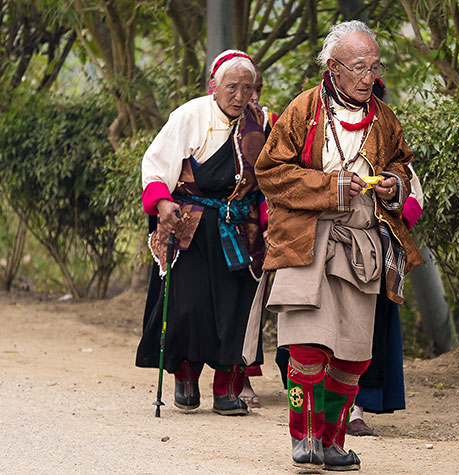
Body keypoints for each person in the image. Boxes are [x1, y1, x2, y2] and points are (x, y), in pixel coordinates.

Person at [251, 20, 423, 471]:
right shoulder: (304, 108)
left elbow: (403, 167)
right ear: (334, 67)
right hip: (305, 239)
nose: (370, 77)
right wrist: (329, 187)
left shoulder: (384, 119)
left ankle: (332, 441)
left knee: (351, 353)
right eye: (360, 67)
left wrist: (393, 185)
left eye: (375, 67)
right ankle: (303, 437)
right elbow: (269, 171)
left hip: (360, 248)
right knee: (307, 345)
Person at [135, 49, 267, 417]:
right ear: (214, 86)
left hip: (240, 228)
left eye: (247, 87)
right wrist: (162, 204)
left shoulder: (261, 123)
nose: (240, 96)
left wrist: (271, 217)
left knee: (235, 308)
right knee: (189, 306)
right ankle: (185, 377)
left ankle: (226, 390)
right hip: (189, 225)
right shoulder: (189, 115)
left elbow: (270, 180)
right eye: (232, 87)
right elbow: (156, 166)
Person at [348, 162, 424, 436]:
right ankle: (319, 403)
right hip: (329, 239)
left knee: (370, 328)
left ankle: (356, 410)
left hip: (376, 249)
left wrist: (395, 220)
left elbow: (415, 194)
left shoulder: (388, 142)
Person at [239, 66, 280, 409]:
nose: (247, 97)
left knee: (253, 297)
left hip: (258, 221)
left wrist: (269, 218)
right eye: (239, 89)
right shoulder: (212, 118)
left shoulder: (269, 122)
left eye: (253, 89)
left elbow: (276, 175)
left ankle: (246, 373)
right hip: (220, 217)